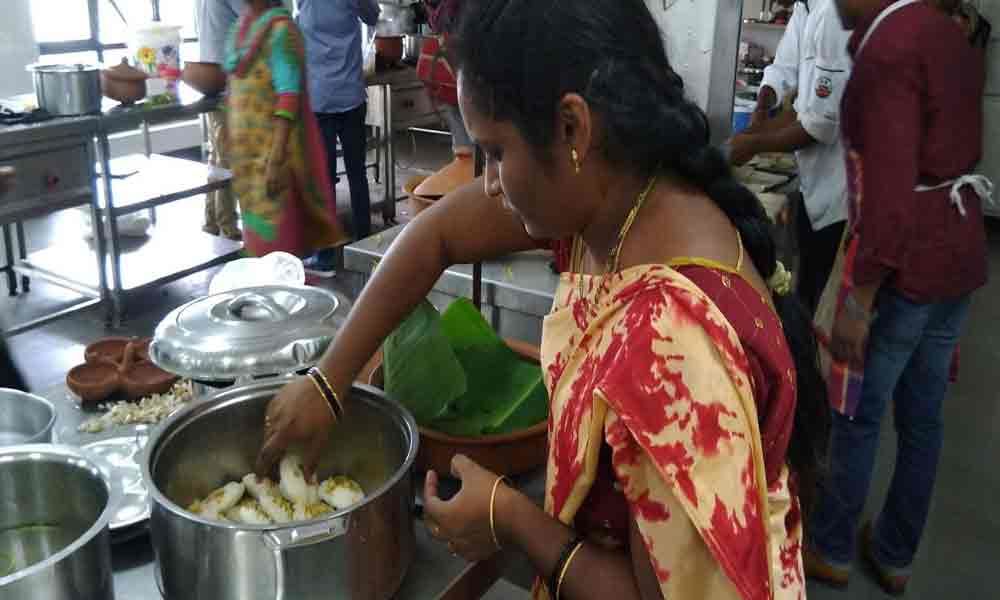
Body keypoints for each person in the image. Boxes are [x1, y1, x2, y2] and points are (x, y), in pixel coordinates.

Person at [257, 1, 832, 598]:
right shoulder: (617, 198)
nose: (489, 182)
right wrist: (329, 381)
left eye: (497, 153)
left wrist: (510, 518)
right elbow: (435, 235)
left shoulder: (670, 342)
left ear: (572, 128)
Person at [806, 0, 990, 595]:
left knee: (855, 413)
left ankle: (832, 548)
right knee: (922, 417)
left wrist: (859, 299)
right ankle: (894, 553)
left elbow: (887, 191)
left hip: (904, 262)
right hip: (958, 249)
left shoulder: (888, 51)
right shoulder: (943, 32)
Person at [730, 0, 851, 316]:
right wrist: (762, 106)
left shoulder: (834, 14)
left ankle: (809, 356)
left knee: (822, 298)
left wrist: (754, 144)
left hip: (840, 191)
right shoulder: (806, 7)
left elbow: (819, 125)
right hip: (814, 182)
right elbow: (784, 67)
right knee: (808, 282)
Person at [224, 0, 347, 262]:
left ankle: (288, 296)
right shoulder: (239, 28)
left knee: (279, 251)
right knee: (256, 246)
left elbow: (288, 95)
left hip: (272, 158)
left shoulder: (281, 31)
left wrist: (276, 158)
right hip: (247, 163)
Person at [298, 0, 380, 275]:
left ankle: (326, 256)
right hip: (351, 95)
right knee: (357, 174)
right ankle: (366, 245)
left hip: (320, 99)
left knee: (323, 180)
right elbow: (373, 16)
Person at [196, 0, 244, 242]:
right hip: (226, 78)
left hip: (208, 76)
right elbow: (252, 18)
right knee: (227, 156)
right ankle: (227, 225)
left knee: (218, 154)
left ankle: (212, 221)